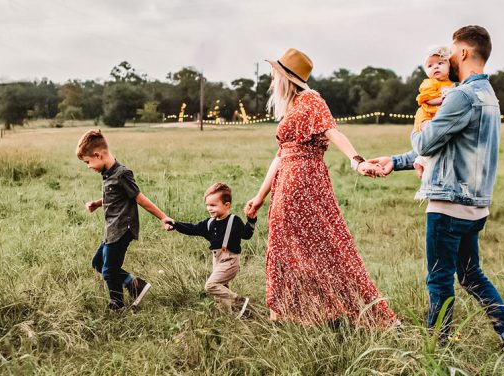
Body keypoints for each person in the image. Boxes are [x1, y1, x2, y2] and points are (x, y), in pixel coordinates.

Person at [370, 26, 504, 352]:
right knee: (471, 276)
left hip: (448, 205)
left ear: (465, 53)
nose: (448, 58)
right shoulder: (488, 96)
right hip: (476, 206)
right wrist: (396, 161)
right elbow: (448, 148)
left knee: (439, 280)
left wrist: (421, 127)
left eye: (452, 53)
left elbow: (427, 141)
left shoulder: (460, 95)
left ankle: (437, 351)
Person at [244, 48, 397, 328]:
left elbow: (332, 131)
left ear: (286, 77)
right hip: (286, 182)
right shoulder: (291, 107)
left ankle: (348, 311)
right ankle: (291, 314)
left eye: (275, 73)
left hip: (304, 182)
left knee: (325, 246)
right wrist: (260, 196)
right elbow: (280, 156)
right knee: (284, 248)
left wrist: (357, 161)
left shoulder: (311, 100)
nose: (270, 78)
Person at [76, 129, 173, 310]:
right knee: (98, 263)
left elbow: (139, 198)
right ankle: (135, 285)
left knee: (109, 269)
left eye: (88, 162)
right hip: (111, 229)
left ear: (98, 155)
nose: (88, 166)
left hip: (122, 229)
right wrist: (97, 203)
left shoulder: (122, 174)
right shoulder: (108, 174)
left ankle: (117, 304)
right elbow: (114, 197)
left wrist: (163, 217)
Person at [167, 183, 255, 318]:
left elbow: (246, 235)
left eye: (213, 205)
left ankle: (239, 301)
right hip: (217, 260)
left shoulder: (234, 221)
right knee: (221, 293)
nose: (209, 208)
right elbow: (192, 229)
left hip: (230, 260)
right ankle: (227, 317)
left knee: (211, 285)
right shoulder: (209, 223)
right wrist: (175, 224)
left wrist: (251, 220)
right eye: (208, 205)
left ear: (227, 205)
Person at [412, 47, 455, 195]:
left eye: (440, 63)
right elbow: (426, 99)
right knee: (430, 135)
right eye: (430, 66)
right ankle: (421, 162)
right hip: (426, 116)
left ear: (449, 66)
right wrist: (441, 99)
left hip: (438, 116)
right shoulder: (429, 83)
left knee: (437, 143)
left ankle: (420, 161)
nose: (435, 67)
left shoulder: (451, 84)